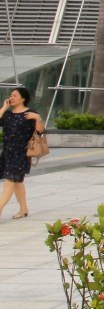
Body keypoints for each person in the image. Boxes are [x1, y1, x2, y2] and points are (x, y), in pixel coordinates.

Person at [0, 87, 44, 220]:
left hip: (22, 153)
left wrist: (37, 118)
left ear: (23, 98)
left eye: (15, 96)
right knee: (17, 182)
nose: (11, 98)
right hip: (7, 152)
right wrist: (3, 107)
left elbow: (41, 131)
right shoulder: (8, 114)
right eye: (11, 96)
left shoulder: (29, 113)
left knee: (9, 182)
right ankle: (24, 209)